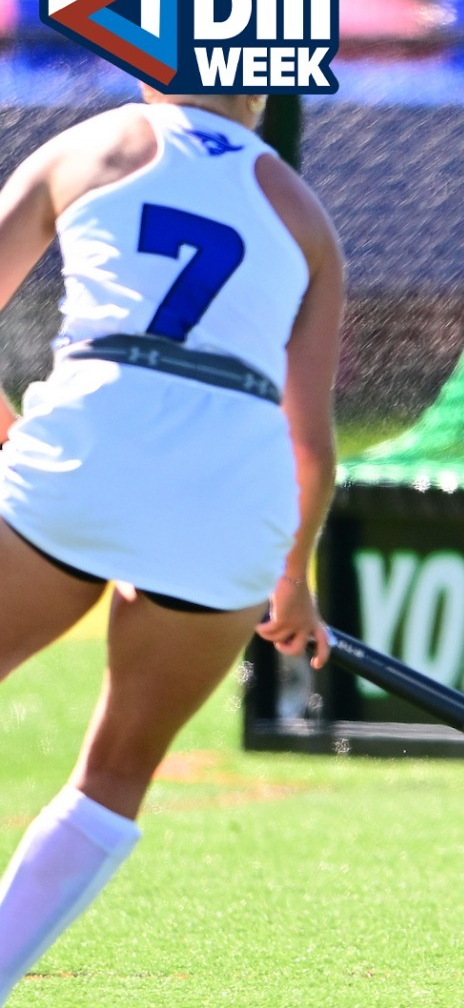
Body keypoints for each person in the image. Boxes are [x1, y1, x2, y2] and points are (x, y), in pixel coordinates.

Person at [0, 77, 342, 990]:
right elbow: (311, 446)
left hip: (83, 453)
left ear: (155, 65)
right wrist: (291, 578)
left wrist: (7, 426)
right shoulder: (303, 213)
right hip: (233, 502)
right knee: (115, 773)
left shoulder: (96, 145)